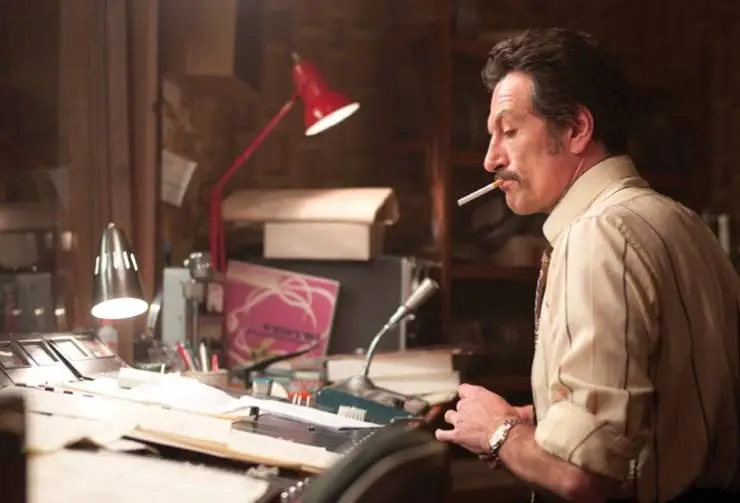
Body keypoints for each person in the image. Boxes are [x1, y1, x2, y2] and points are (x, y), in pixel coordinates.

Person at [434, 27, 740, 503]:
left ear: (576, 129)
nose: (491, 159)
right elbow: (666, 407)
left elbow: (582, 475)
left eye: (509, 132)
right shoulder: (678, 219)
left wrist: (498, 432)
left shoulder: (598, 236)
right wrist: (546, 420)